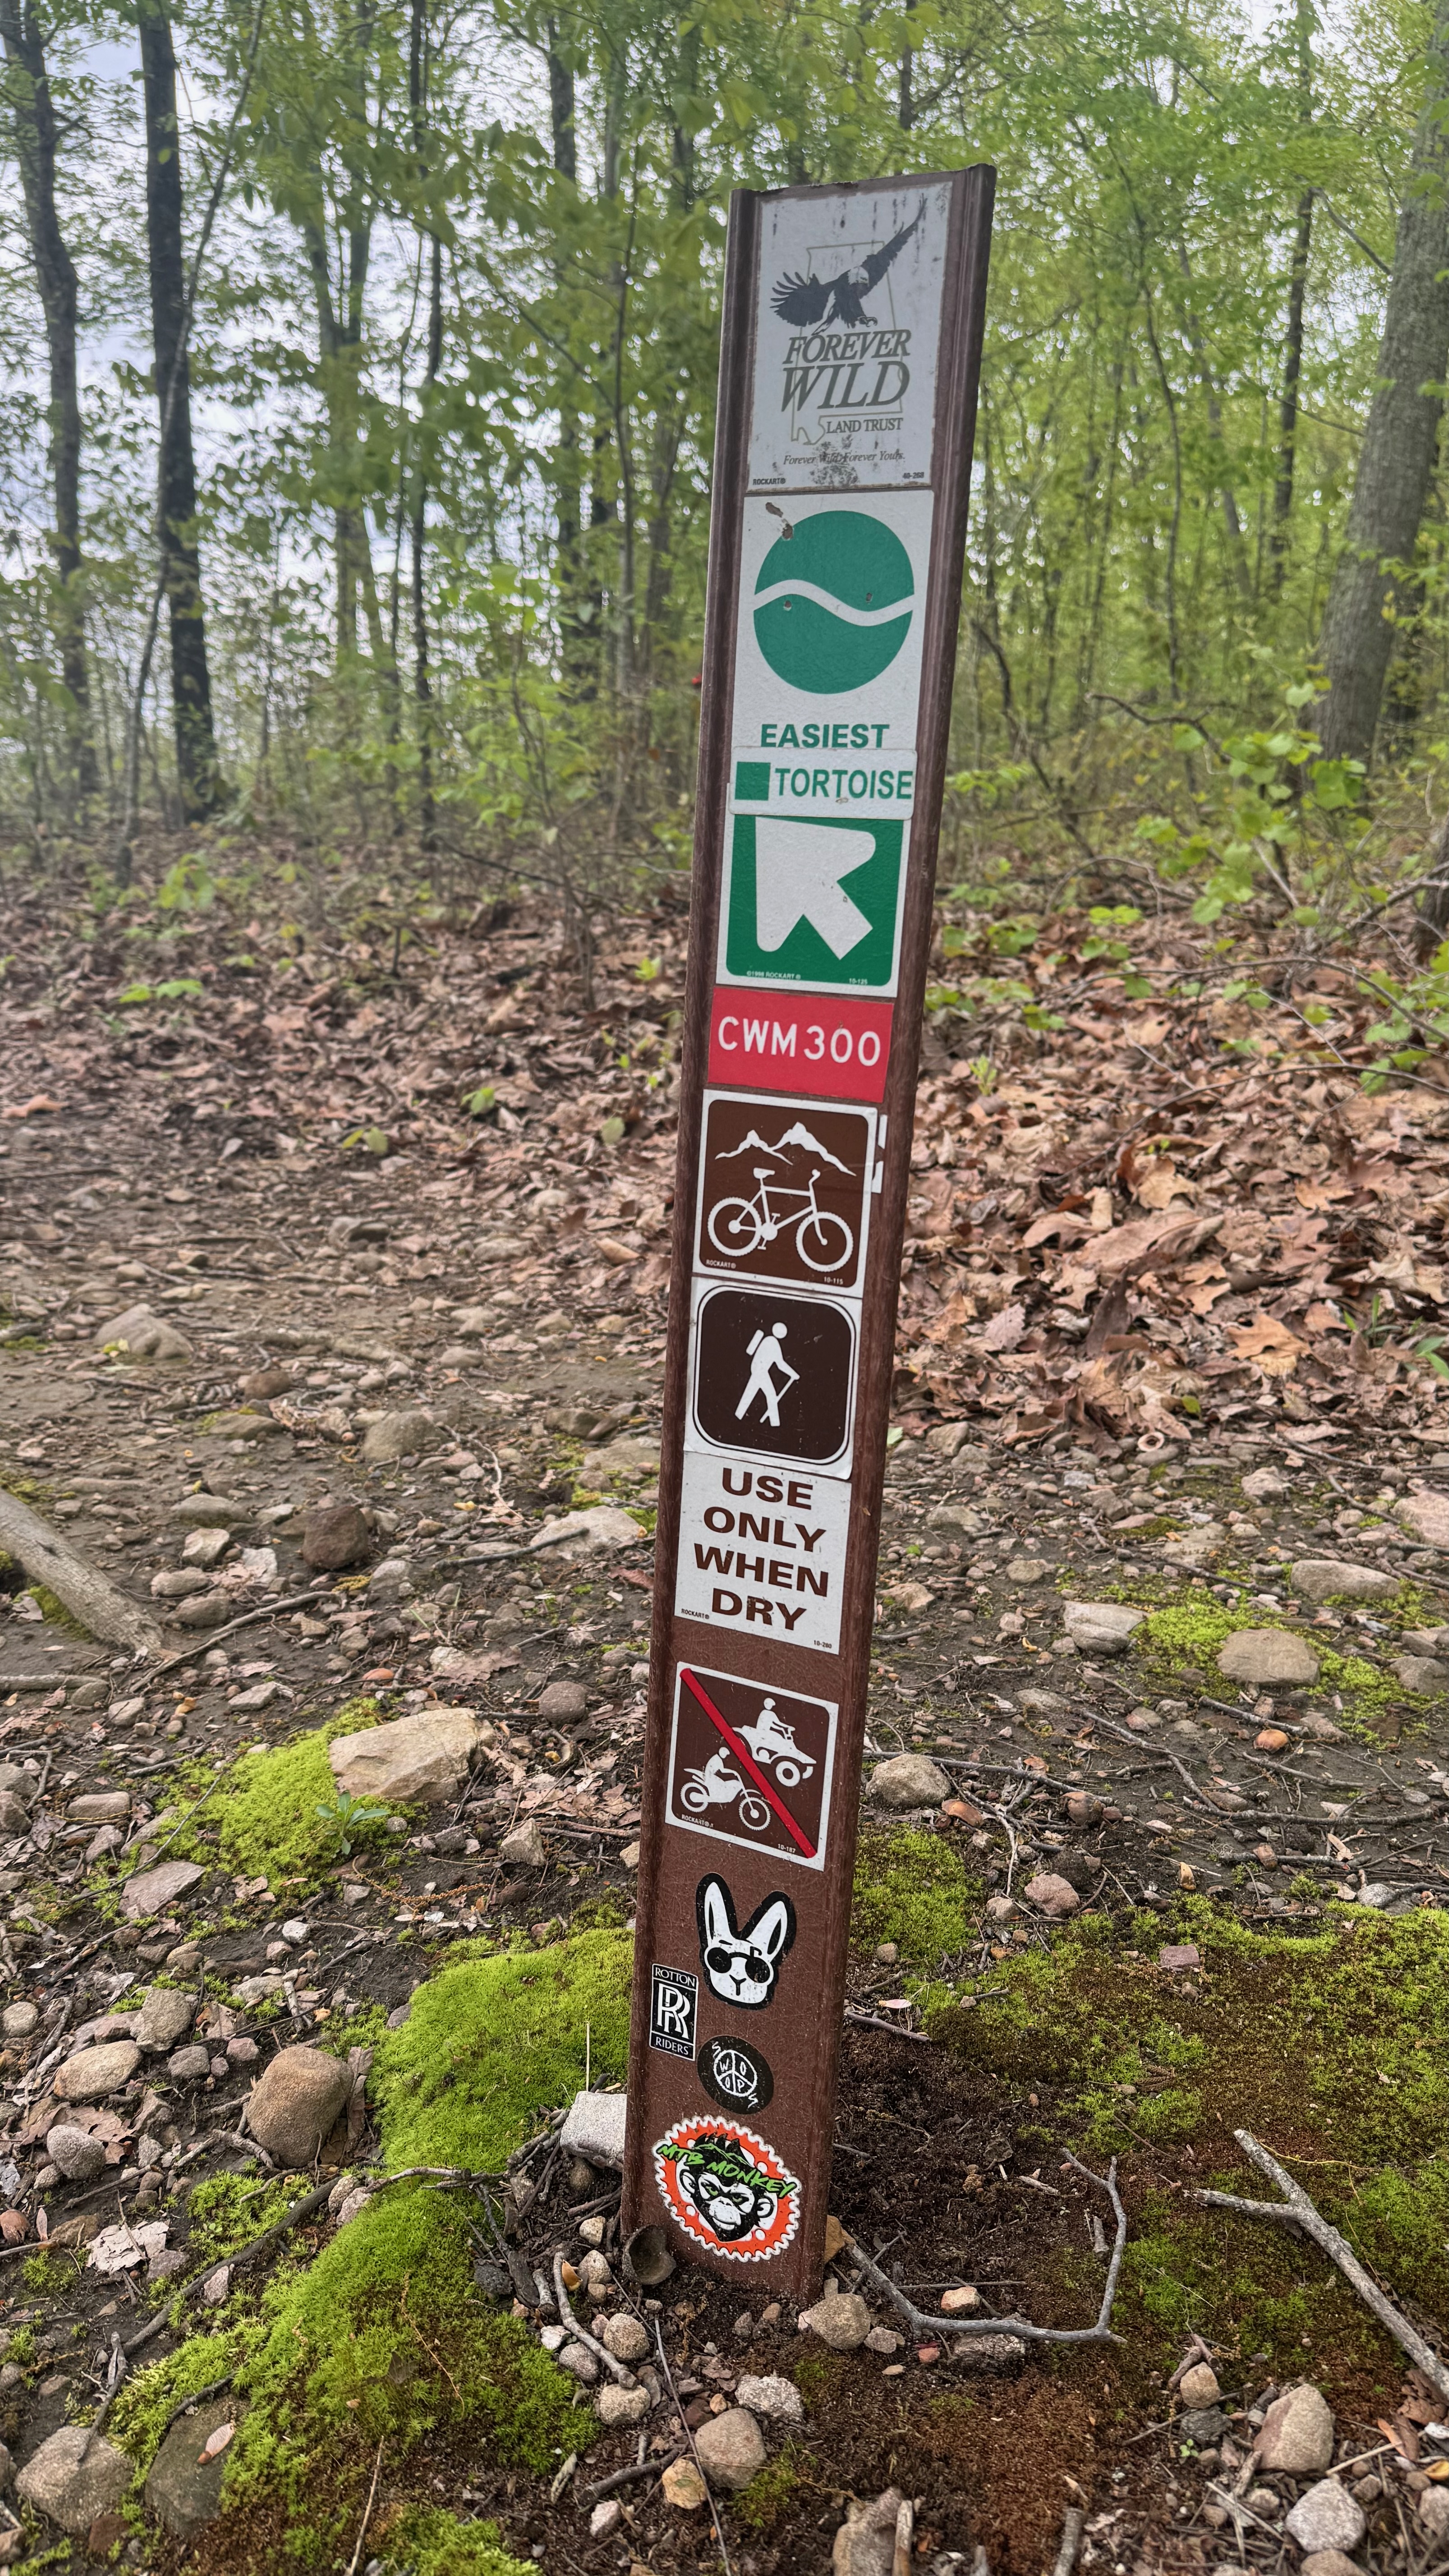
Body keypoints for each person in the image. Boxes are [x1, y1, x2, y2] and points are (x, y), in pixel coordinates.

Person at [735, 1320, 799, 1429]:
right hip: (761, 1371)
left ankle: (738, 1416)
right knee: (771, 1395)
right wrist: (794, 1374)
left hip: (757, 1369)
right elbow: (780, 1364)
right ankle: (775, 1425)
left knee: (750, 1393)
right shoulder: (773, 1343)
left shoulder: (767, 1340)